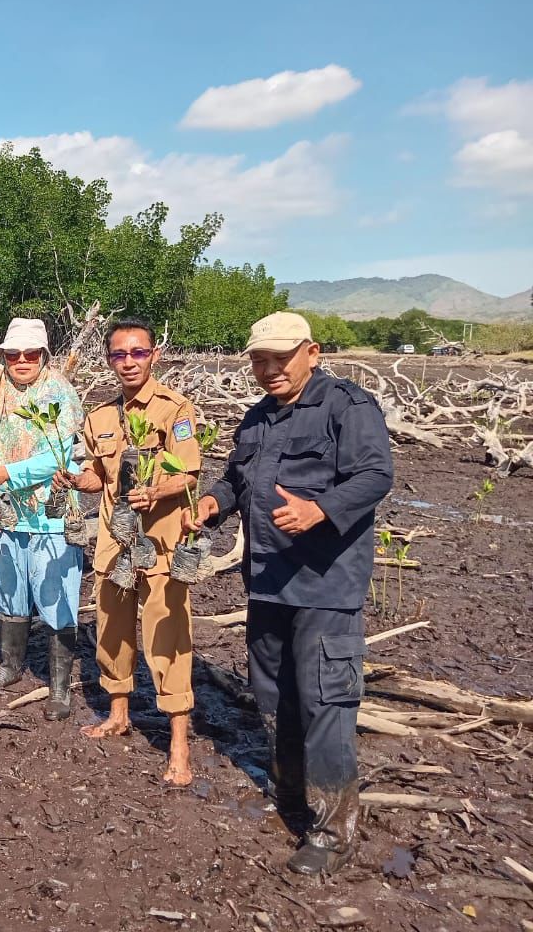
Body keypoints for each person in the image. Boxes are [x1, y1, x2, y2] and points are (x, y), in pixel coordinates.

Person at [184, 311, 393, 874]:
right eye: (260, 360)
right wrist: (213, 504)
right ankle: (292, 795)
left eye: (281, 358)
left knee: (326, 700)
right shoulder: (257, 416)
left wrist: (320, 509)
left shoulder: (347, 407)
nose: (270, 369)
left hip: (326, 585)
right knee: (275, 692)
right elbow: (236, 478)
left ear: (312, 353)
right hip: (268, 581)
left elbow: (375, 475)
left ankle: (331, 833)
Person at [54, 317, 202, 786]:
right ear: (109, 360)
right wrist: (76, 480)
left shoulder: (175, 409)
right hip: (114, 543)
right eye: (119, 354)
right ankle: (118, 714)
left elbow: (190, 474)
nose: (129, 362)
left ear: (154, 355)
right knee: (112, 631)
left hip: (160, 544)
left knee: (167, 638)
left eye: (138, 353)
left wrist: (157, 491)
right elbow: (99, 476)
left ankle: (178, 745)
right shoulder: (100, 417)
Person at [0, 318, 84, 721]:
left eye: (30, 353)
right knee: (10, 593)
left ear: (44, 355)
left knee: (57, 599)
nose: (22, 360)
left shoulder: (59, 393)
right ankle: (10, 667)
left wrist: (9, 473)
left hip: (50, 515)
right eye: (14, 354)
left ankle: (59, 687)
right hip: (7, 511)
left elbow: (60, 456)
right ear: (4, 357)